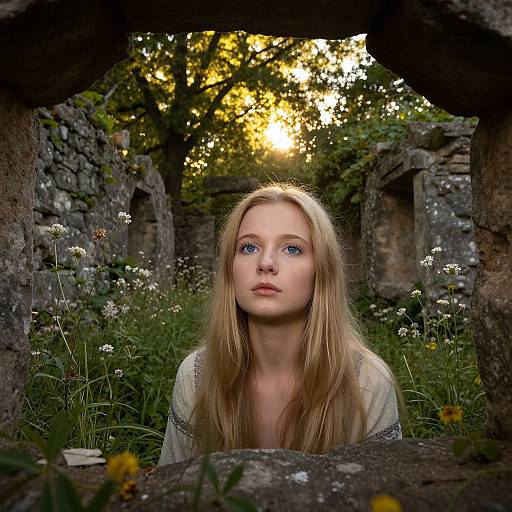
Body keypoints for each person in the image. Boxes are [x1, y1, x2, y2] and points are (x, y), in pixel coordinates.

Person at [158, 182, 404, 465]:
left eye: (292, 249)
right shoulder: (197, 376)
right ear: (230, 268)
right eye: (249, 247)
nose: (265, 263)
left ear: (321, 271)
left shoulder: (367, 383)